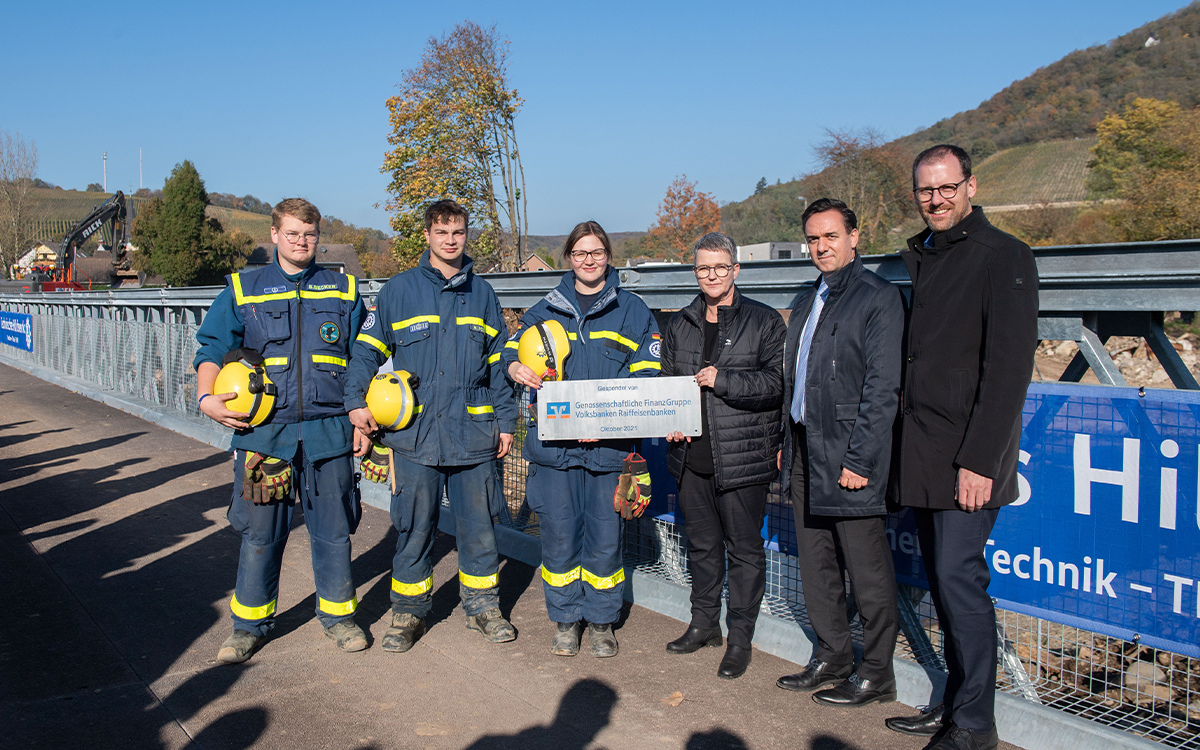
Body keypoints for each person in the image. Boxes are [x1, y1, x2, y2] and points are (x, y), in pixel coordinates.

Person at [884, 145, 1039, 750]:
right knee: (944, 585)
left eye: (947, 187)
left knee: (959, 581)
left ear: (971, 186)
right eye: (926, 190)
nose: (937, 199)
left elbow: (1008, 370)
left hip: (967, 459)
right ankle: (952, 704)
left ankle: (975, 725)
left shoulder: (1004, 255)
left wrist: (979, 461)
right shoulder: (925, 253)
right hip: (925, 453)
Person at [195, 197, 369, 663]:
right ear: (274, 234)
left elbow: (364, 358)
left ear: (318, 236)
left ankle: (339, 618)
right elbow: (211, 348)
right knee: (261, 534)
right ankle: (248, 628)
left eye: (309, 234)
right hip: (264, 434)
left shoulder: (344, 289)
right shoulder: (243, 288)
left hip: (329, 431)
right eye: (292, 233)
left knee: (334, 531)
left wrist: (364, 419)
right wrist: (205, 398)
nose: (301, 241)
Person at [345, 199, 518, 652]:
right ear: (427, 236)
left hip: (472, 435)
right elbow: (365, 352)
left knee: (479, 528)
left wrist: (506, 421)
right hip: (416, 436)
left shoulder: (482, 294)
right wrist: (355, 404)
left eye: (458, 232)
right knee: (414, 527)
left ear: (466, 235)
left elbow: (499, 364)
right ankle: (409, 612)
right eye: (442, 232)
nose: (450, 240)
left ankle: (483, 608)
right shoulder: (398, 291)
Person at [504, 221, 661, 658]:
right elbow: (509, 350)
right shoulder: (544, 310)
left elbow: (648, 372)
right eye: (580, 253)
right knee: (559, 537)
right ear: (568, 258)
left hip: (609, 450)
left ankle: (602, 621)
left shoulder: (633, 311)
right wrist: (514, 367)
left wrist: (608, 418)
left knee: (606, 539)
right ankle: (566, 619)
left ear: (608, 256)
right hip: (554, 451)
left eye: (597, 252)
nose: (588, 260)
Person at [774, 198, 903, 706]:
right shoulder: (809, 297)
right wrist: (786, 442)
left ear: (854, 237)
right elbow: (796, 379)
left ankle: (878, 672)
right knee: (817, 563)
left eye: (831, 236)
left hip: (849, 454)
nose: (821, 246)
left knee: (867, 571)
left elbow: (882, 388)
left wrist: (860, 458)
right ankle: (832, 655)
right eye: (813, 238)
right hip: (806, 447)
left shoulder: (878, 297)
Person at [660, 231, 785, 680]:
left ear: (736, 270)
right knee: (702, 547)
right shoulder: (680, 324)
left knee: (744, 551)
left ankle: (739, 640)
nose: (712, 275)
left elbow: (777, 385)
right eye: (703, 268)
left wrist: (724, 380)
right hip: (691, 457)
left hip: (742, 458)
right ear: (695, 272)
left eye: (720, 267)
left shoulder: (765, 321)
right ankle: (704, 624)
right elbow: (668, 382)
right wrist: (670, 417)